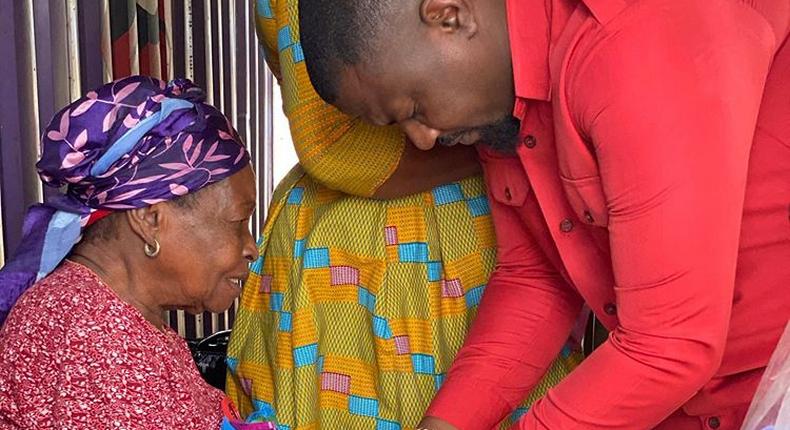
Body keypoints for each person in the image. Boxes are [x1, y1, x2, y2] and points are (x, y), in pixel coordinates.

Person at [295, 0, 790, 429]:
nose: (423, 140)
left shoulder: (628, 42)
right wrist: (445, 424)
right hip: (694, 402)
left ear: (449, 16)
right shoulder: (500, 102)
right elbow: (537, 277)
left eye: (414, 108)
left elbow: (669, 344)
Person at [223, 1, 583, 429]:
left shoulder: (609, 57)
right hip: (358, 257)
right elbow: (334, 150)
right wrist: (524, 135)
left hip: (480, 238)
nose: (426, 137)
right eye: (411, 111)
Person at [0, 76, 261, 428]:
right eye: (237, 222)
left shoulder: (107, 316)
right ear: (150, 219)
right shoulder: (91, 340)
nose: (251, 248)